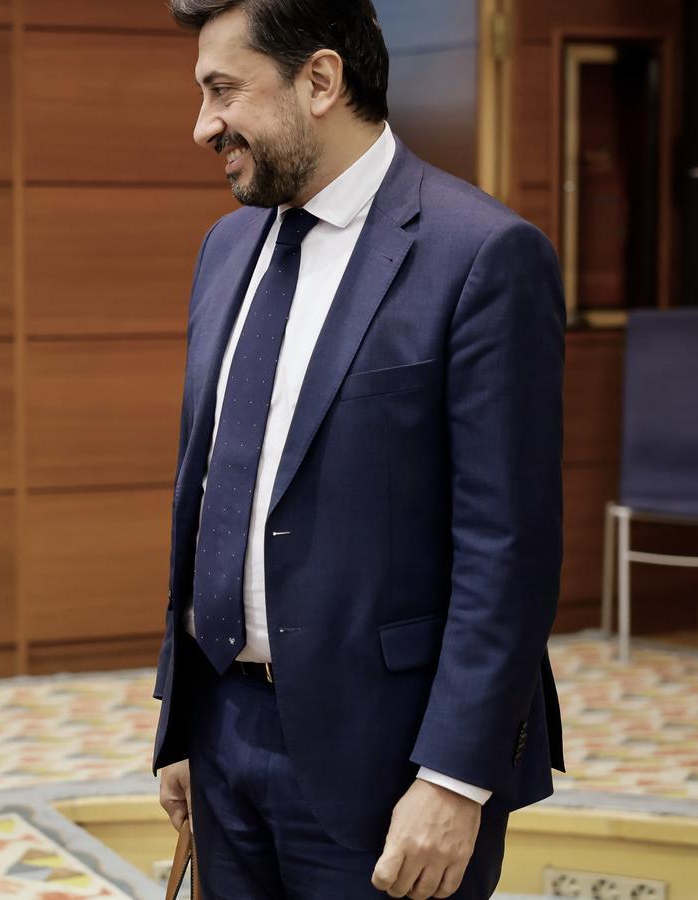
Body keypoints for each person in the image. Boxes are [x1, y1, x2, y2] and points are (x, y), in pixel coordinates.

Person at [150, 3, 565, 898]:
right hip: (221, 737)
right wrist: (181, 725)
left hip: (390, 765)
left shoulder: (484, 255)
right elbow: (207, 494)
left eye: (223, 90)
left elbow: (510, 551)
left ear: (320, 81)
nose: (203, 126)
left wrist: (455, 778)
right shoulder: (226, 247)